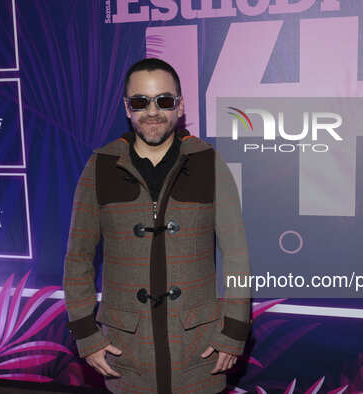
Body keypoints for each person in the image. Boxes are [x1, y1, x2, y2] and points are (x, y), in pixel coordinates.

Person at [63, 58, 252, 394]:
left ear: (179, 106)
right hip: (126, 353)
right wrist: (86, 335)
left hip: (198, 349)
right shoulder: (100, 165)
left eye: (164, 100)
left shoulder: (208, 161)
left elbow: (236, 256)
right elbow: (77, 257)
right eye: (141, 102)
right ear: (127, 107)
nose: (153, 111)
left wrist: (234, 332)